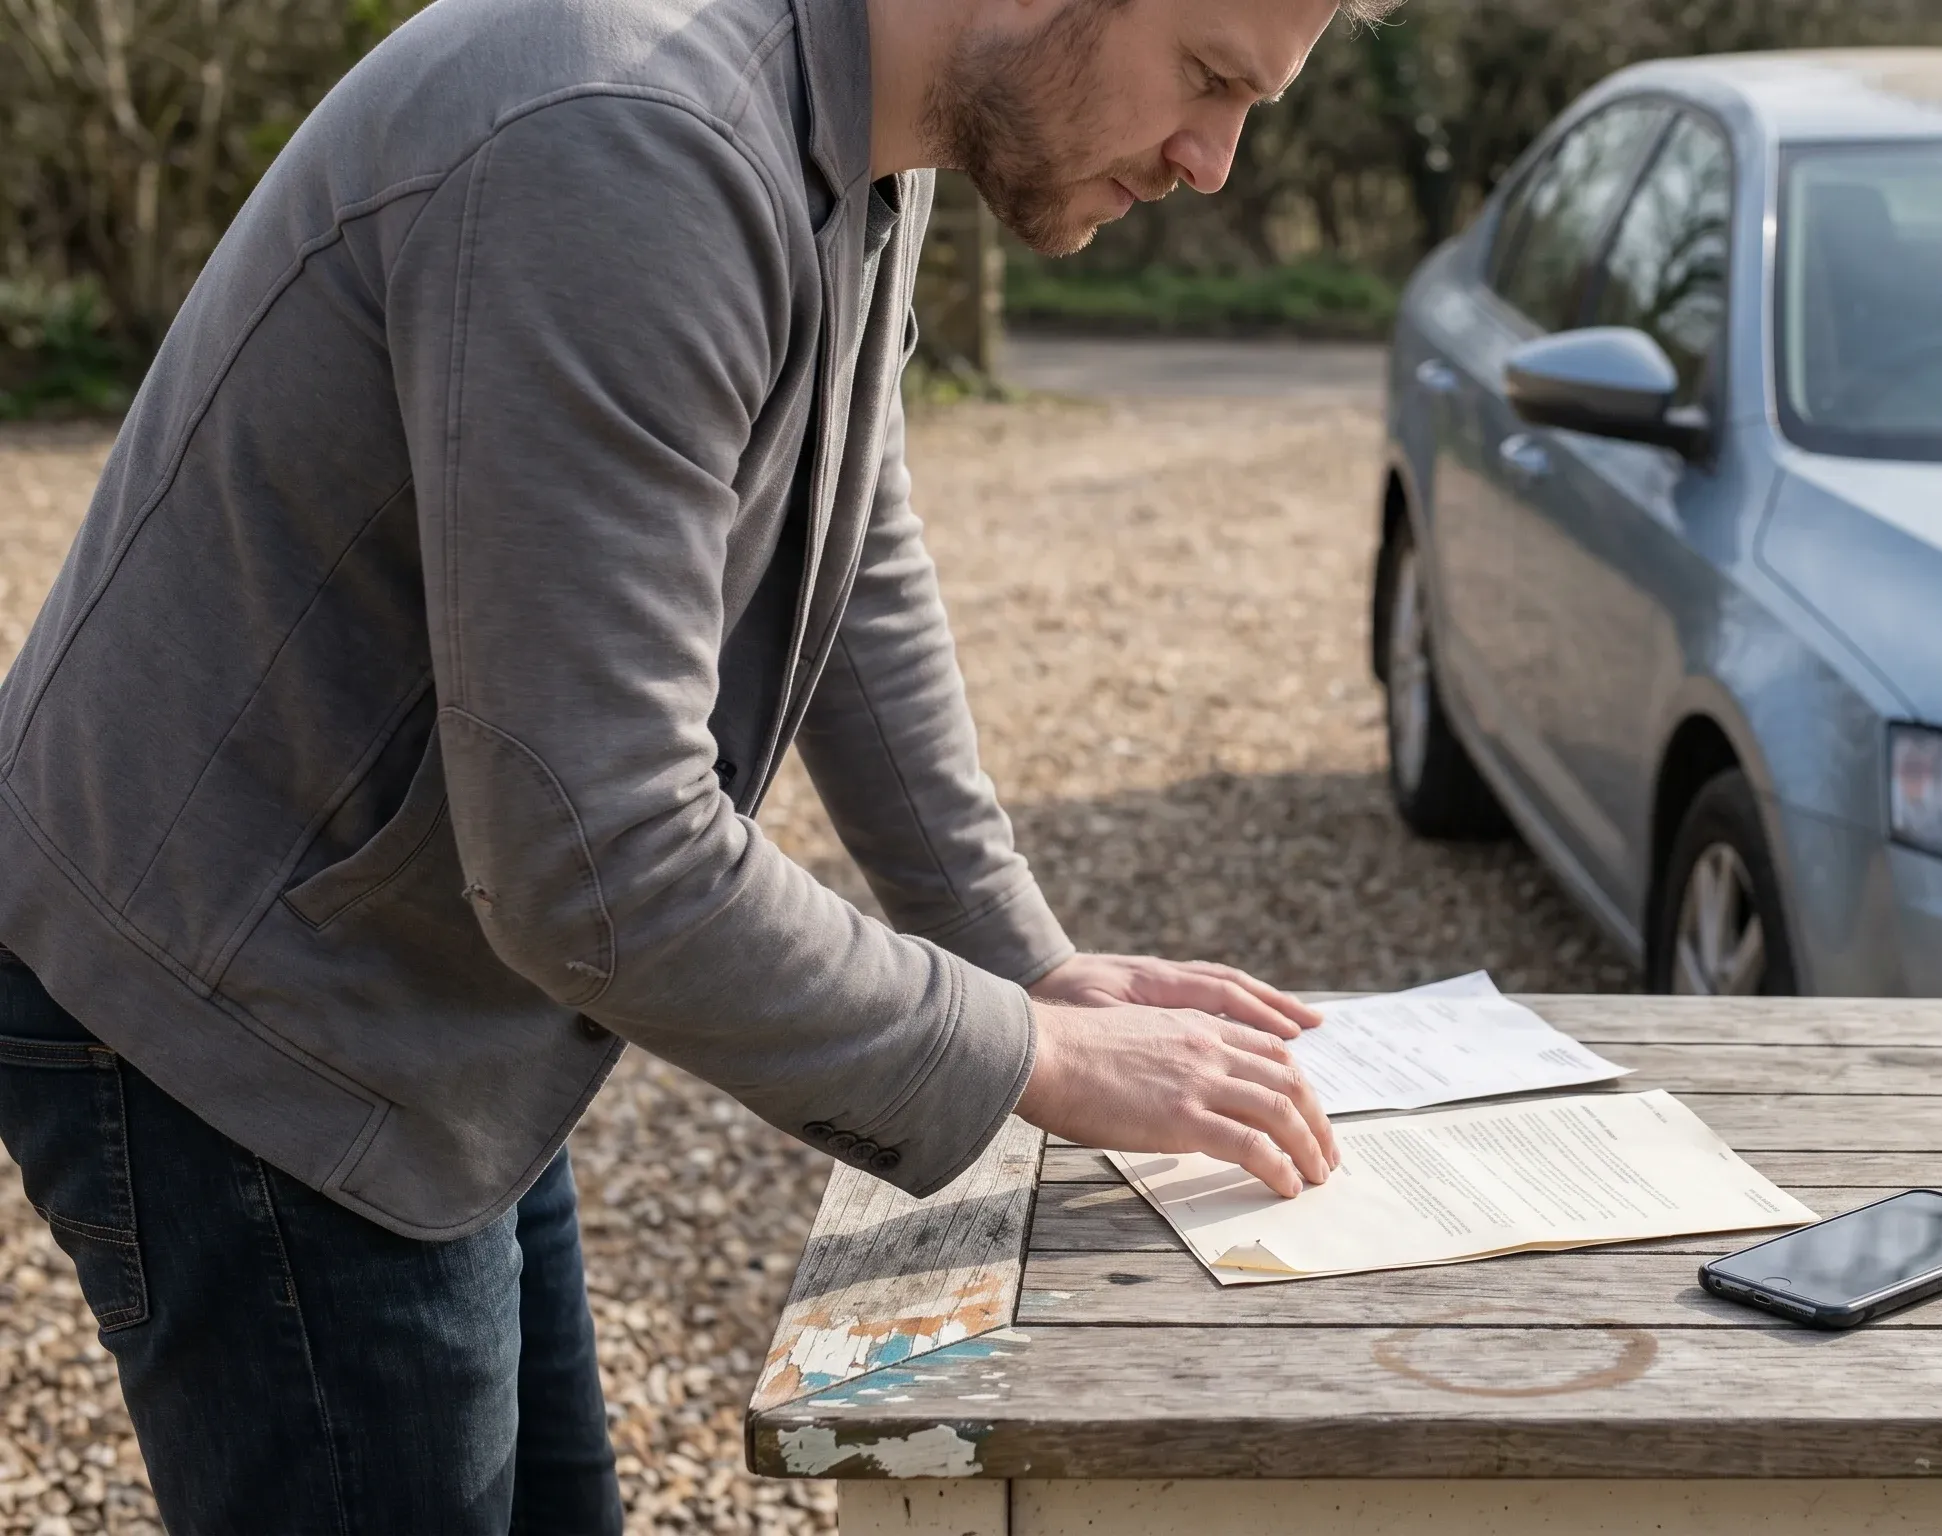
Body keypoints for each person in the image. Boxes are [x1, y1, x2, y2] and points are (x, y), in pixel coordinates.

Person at [0, 0, 1395, 1526]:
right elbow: (601, 857)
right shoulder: (632, 146)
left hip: (431, 965)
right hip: (246, 1002)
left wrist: (1024, 958)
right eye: (1207, 77)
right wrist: (1028, 1057)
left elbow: (845, 541)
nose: (1215, 161)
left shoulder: (878, 131)